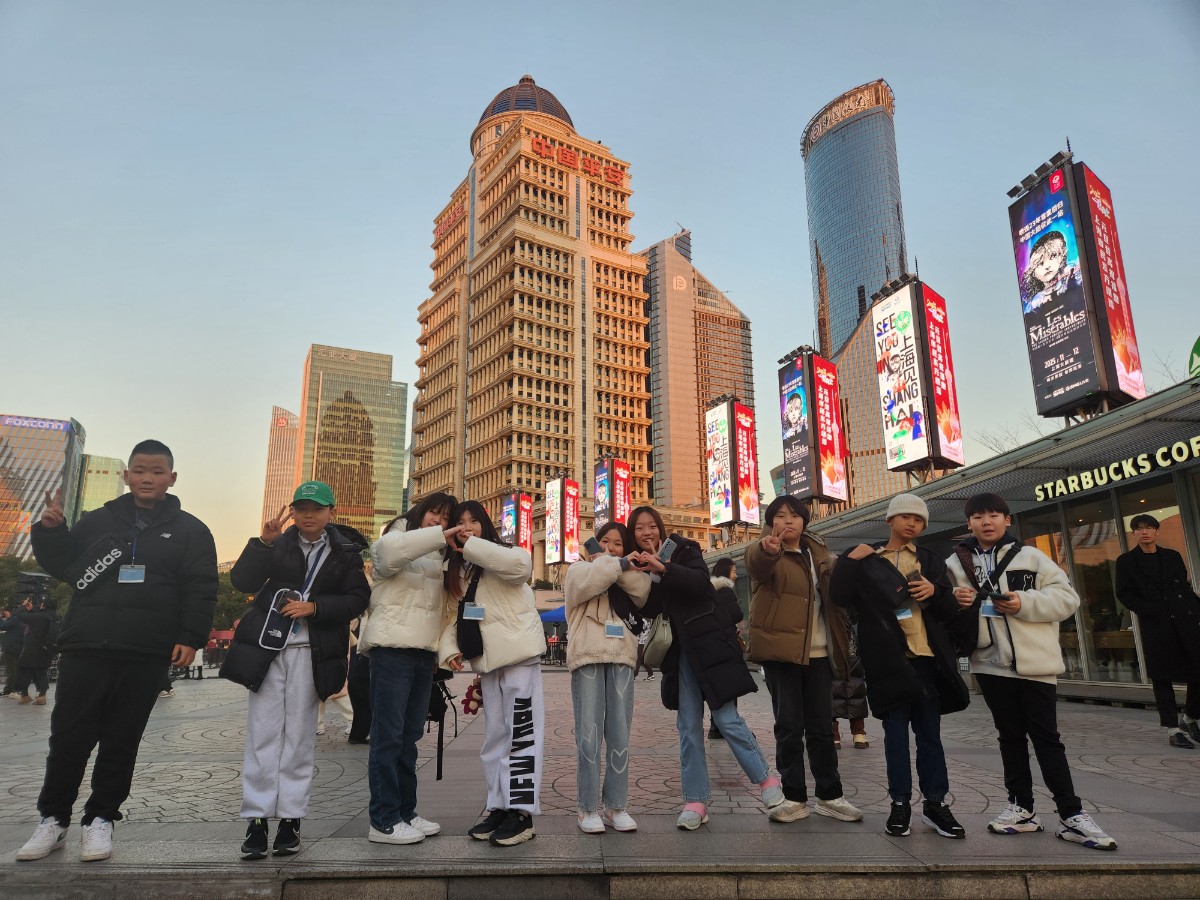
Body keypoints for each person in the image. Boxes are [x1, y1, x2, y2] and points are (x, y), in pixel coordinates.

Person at [19, 440, 217, 863]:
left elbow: (200, 587)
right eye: (140, 470)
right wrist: (51, 531)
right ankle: (52, 820)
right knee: (68, 739)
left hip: (145, 649)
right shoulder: (97, 520)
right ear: (126, 475)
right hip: (87, 644)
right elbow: (64, 565)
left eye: (158, 471)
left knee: (121, 741)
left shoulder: (191, 531)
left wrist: (189, 635)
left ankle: (101, 820)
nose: (148, 478)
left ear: (172, 478)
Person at [946, 492, 1116, 851]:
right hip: (990, 664)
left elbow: (1068, 599)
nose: (986, 522)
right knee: (1009, 737)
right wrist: (954, 601)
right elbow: (941, 606)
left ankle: (1072, 814)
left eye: (994, 515)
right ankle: (1021, 808)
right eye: (978, 516)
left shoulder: (1031, 557)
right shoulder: (957, 563)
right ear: (969, 523)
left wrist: (1024, 602)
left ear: (1008, 520)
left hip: (1035, 665)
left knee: (1047, 739)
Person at [221, 481, 370, 860]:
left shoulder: (346, 552)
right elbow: (242, 582)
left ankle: (290, 819)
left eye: (316, 508)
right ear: (292, 510)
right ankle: (256, 819)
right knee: (262, 733)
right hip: (268, 651)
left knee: (300, 737)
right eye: (301, 507)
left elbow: (358, 598)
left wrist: (315, 607)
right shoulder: (279, 542)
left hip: (312, 652)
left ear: (331, 511)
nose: (308, 514)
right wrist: (263, 543)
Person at [628, 506, 779, 830]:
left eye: (651, 526)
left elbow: (699, 583)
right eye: (639, 529)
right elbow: (651, 609)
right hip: (680, 655)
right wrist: (641, 576)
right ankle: (696, 801)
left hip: (709, 646)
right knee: (688, 727)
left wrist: (665, 568)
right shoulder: (639, 565)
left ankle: (767, 781)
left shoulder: (683, 549)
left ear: (660, 527)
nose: (646, 532)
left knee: (726, 718)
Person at [830, 493, 969, 839]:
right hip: (888, 662)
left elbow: (950, 612)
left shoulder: (931, 560)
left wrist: (935, 592)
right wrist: (849, 561)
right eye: (905, 517)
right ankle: (900, 805)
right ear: (889, 520)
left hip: (927, 660)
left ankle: (936, 805)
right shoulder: (867, 558)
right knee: (894, 738)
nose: (912, 523)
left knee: (930, 737)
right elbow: (840, 598)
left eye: (919, 519)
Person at [744, 495, 862, 826]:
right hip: (782, 654)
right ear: (771, 523)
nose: (788, 521)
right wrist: (768, 549)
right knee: (789, 726)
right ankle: (794, 797)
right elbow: (756, 563)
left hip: (820, 653)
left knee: (822, 727)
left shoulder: (820, 553)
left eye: (794, 515)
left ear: (805, 521)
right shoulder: (766, 551)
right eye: (779, 516)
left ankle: (830, 795)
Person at [440, 500, 546, 847]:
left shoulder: (505, 554)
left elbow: (520, 568)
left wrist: (470, 544)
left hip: (518, 658)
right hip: (487, 662)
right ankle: (498, 805)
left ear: (485, 525)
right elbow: (454, 614)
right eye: (460, 522)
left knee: (522, 736)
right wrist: (450, 650)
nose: (467, 526)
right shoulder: (463, 570)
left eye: (473, 520)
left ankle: (521, 812)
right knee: (495, 740)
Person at [356, 491, 458, 845]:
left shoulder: (441, 556)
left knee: (409, 737)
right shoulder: (396, 534)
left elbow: (446, 611)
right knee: (387, 736)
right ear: (421, 512)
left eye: (447, 518)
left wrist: (440, 654)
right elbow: (387, 556)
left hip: (421, 653)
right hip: (391, 649)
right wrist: (437, 535)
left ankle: (405, 812)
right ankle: (382, 820)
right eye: (435, 513)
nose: (440, 522)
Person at [564, 522, 652, 834]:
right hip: (587, 655)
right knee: (587, 736)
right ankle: (586, 808)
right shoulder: (577, 570)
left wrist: (618, 564)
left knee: (619, 735)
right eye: (605, 541)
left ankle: (616, 806)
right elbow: (585, 585)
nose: (611, 547)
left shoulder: (630, 576)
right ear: (594, 544)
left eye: (618, 543)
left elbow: (643, 592)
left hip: (621, 657)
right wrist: (616, 562)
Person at [1114, 514, 1200, 749]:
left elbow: (1182, 585)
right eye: (1139, 529)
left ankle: (1190, 717)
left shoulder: (1172, 556)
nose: (1144, 532)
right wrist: (1149, 610)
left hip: (1185, 621)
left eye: (1149, 527)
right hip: (1156, 625)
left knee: (1197, 670)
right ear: (1134, 534)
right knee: (1162, 677)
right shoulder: (1126, 562)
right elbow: (1124, 594)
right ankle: (1173, 729)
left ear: (1157, 531)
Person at [706, 558, 745, 740]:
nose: (736, 575)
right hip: (727, 645)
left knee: (719, 687)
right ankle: (728, 727)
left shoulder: (710, 590)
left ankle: (716, 726)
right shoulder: (725, 590)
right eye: (734, 571)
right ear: (725, 572)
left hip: (713, 644)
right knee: (730, 687)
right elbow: (736, 614)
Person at [15, 597, 58, 705]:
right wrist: (32, 609)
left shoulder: (39, 617)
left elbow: (20, 615)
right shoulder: (55, 617)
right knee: (41, 672)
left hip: (32, 649)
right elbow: (42, 616)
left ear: (43, 605)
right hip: (46, 649)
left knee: (24, 670)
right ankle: (42, 695)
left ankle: (24, 695)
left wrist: (22, 606)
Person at [1, 598, 32, 696]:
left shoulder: (16, 619)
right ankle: (10, 690)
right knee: (15, 670)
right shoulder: (27, 618)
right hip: (20, 648)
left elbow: (2, 626)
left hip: (10, 648)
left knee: (11, 671)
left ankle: (11, 690)